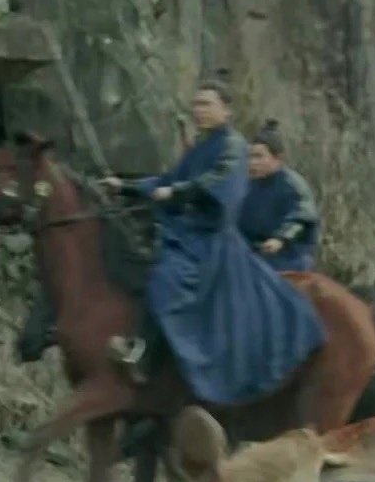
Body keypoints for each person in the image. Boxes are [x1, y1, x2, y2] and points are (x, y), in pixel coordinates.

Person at [99, 79, 325, 404]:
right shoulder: (202, 147)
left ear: (226, 110)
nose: (199, 110)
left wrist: (177, 192)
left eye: (206, 104)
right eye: (196, 104)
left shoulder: (234, 147)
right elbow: (167, 180)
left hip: (211, 239)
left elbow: (213, 183)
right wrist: (125, 186)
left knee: (167, 276)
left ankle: (144, 354)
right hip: (188, 232)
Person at [239, 120, 320, 272]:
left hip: (288, 256)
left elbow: (301, 218)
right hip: (252, 253)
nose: (252, 163)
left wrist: (280, 239)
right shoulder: (246, 185)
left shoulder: (293, 185)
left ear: (278, 159)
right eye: (249, 157)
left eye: (258, 157)